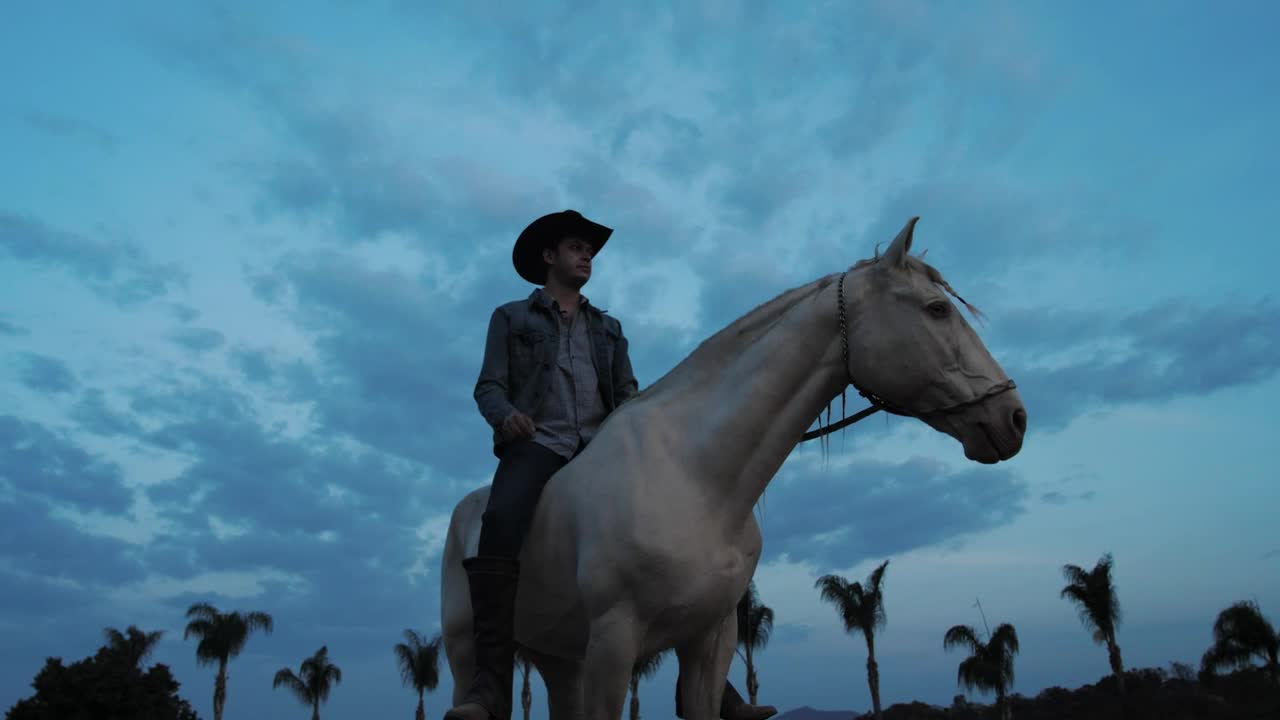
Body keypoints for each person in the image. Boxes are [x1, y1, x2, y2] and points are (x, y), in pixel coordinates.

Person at [445, 210, 777, 720]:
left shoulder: (608, 328)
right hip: (539, 442)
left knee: (672, 540)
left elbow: (628, 394)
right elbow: (488, 386)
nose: (587, 257)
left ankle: (716, 688)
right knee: (501, 519)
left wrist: (649, 430)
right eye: (576, 248)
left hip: (603, 449)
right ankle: (489, 686)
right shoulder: (511, 318)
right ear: (549, 257)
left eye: (590, 251)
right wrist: (507, 417)